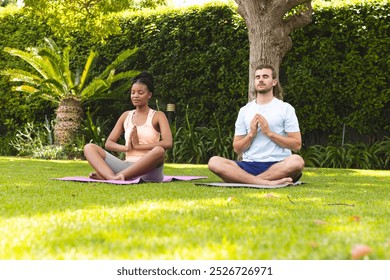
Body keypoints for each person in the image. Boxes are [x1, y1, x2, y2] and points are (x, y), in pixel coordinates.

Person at [208, 64, 304, 186]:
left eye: (265, 76)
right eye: (257, 77)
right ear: (254, 81)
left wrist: (269, 133)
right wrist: (251, 135)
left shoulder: (285, 108)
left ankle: (244, 180)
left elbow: (296, 145)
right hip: (249, 165)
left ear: (274, 82)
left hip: (278, 165)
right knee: (214, 162)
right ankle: (266, 182)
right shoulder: (245, 110)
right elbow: (237, 149)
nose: (261, 80)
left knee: (297, 161)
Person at [83, 72, 173, 181]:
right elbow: (109, 143)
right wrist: (126, 148)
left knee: (159, 151)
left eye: (140, 93)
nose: (135, 96)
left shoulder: (158, 115)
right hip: (127, 166)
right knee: (89, 147)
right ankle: (113, 177)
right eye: (133, 92)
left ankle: (110, 176)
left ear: (149, 95)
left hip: (149, 170)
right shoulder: (126, 115)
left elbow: (167, 143)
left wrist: (138, 146)